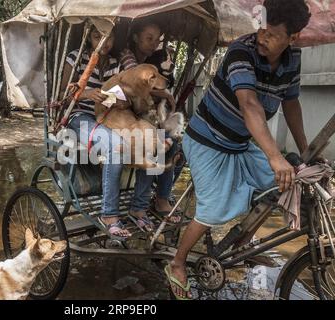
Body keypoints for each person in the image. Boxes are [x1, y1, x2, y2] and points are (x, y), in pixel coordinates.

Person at [164, 0, 312, 299]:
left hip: (239, 144)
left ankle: (239, 243)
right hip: (206, 142)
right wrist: (274, 155)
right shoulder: (241, 51)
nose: (261, 37)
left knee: (281, 185)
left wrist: (305, 152)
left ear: (292, 38)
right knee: (214, 210)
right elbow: (249, 103)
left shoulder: (293, 59)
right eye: (261, 29)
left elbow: (292, 104)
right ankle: (177, 263)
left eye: (271, 34)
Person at [59, 25, 154, 238]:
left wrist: (122, 101)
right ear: (89, 38)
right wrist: (87, 93)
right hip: (79, 117)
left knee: (149, 141)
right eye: (97, 36)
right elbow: (63, 91)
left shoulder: (114, 64)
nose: (104, 42)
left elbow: (123, 94)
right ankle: (109, 214)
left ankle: (139, 207)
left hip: (110, 117)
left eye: (108, 37)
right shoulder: (76, 58)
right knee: (115, 146)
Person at [120, 20, 181, 224]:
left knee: (175, 144)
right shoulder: (128, 56)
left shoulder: (151, 59)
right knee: (154, 144)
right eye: (149, 38)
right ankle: (139, 206)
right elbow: (138, 84)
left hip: (140, 116)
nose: (153, 43)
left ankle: (161, 197)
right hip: (122, 115)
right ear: (136, 37)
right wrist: (163, 92)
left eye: (156, 40)